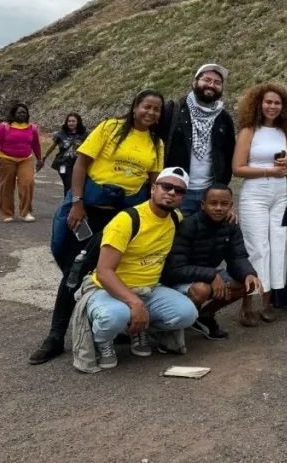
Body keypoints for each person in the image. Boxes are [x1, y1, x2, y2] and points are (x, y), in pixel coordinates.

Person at [30, 90, 166, 366]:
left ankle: (107, 327)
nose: (150, 113)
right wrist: (77, 202)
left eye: (156, 110)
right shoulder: (110, 128)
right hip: (89, 211)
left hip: (119, 218)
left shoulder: (156, 143)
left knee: (112, 272)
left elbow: (153, 185)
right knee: (74, 271)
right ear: (135, 106)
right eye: (146, 107)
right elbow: (81, 163)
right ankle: (56, 337)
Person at [81, 167, 197, 369]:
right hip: (109, 289)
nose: (171, 193)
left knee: (187, 314)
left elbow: (204, 222)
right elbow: (104, 272)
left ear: (182, 198)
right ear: (153, 189)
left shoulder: (175, 219)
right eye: (166, 187)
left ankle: (139, 327)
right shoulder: (127, 220)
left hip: (150, 288)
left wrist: (228, 214)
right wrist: (135, 304)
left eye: (178, 191)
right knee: (113, 317)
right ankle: (103, 340)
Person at [232, 82, 287, 326]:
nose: (273, 106)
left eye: (277, 103)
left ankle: (268, 302)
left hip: (281, 194)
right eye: (268, 102)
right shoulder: (249, 131)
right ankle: (247, 303)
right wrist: (269, 171)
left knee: (278, 245)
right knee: (257, 247)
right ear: (259, 104)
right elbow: (237, 168)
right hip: (255, 194)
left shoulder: (285, 131)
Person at [161, 183, 262, 340]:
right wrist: (211, 275)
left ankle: (205, 315)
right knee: (201, 290)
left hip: (206, 276)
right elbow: (174, 268)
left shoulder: (231, 225)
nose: (218, 208)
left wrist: (249, 274)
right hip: (178, 280)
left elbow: (237, 257)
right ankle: (177, 323)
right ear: (203, 205)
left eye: (224, 204)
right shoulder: (188, 225)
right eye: (213, 203)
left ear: (231, 205)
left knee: (249, 283)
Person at [158, 64, 236, 216]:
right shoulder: (173, 110)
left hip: (209, 194)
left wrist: (220, 189)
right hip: (177, 191)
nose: (211, 85)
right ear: (194, 82)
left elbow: (228, 155)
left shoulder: (223, 118)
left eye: (217, 82)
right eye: (206, 80)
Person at [0, 102, 42, 223]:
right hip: (6, 159)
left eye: (24, 112)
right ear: (14, 114)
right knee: (6, 186)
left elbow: (36, 145)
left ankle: (25, 212)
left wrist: (39, 159)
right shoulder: (4, 127)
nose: (22, 114)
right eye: (19, 112)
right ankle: (7, 213)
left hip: (25, 159)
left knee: (27, 183)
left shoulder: (32, 128)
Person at [39, 113, 87, 194]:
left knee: (78, 185)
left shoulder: (84, 134)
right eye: (69, 121)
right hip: (62, 164)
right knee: (68, 185)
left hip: (78, 164)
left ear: (78, 122)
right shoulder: (61, 134)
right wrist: (44, 157)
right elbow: (52, 146)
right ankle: (67, 204)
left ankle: (75, 203)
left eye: (73, 121)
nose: (71, 123)